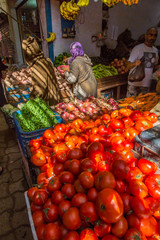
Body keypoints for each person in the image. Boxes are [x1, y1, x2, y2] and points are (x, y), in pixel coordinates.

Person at [22, 36, 61, 105]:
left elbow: (39, 90)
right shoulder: (47, 60)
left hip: (48, 103)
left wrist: (31, 99)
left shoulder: (37, 66)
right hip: (55, 97)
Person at [126, 27, 159, 97]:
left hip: (146, 86)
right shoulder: (137, 49)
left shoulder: (155, 51)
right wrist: (135, 63)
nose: (152, 37)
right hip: (134, 85)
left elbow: (154, 67)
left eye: (155, 35)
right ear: (146, 35)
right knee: (129, 106)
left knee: (143, 107)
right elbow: (128, 66)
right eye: (151, 35)